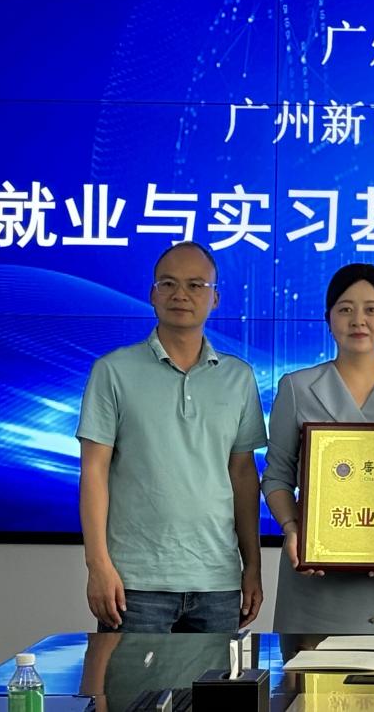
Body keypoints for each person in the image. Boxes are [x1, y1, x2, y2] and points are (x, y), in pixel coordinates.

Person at [76, 240, 266, 633]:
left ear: (215, 298)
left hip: (217, 581)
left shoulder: (239, 377)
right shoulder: (113, 371)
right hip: (134, 584)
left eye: (196, 285)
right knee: (130, 680)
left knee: (217, 680)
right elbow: (94, 471)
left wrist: (253, 567)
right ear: (152, 294)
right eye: (168, 284)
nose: (181, 294)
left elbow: (244, 476)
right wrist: (98, 565)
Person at [263, 263, 374, 632]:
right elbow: (277, 478)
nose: (358, 320)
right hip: (313, 574)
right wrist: (294, 529)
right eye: (345, 309)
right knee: (308, 671)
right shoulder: (297, 387)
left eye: (372, 309)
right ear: (328, 319)